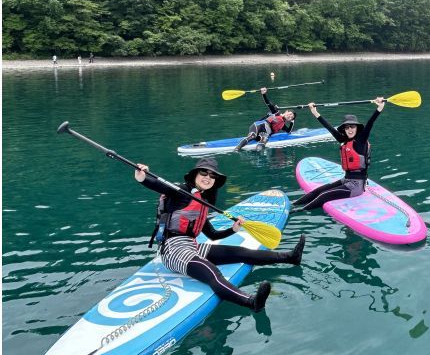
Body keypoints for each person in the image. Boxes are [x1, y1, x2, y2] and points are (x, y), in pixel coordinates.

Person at [134, 157, 305, 312]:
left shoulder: (202, 201)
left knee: (240, 252)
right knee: (211, 271)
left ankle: (290, 257)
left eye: (212, 175)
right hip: (173, 250)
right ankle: (251, 302)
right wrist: (142, 176)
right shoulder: (181, 192)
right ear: (195, 174)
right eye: (203, 172)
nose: (207, 177)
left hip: (192, 246)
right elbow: (157, 185)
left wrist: (233, 229)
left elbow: (213, 235)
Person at [292, 97, 385, 211]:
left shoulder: (361, 140)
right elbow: (330, 128)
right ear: (344, 129)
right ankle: (293, 205)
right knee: (318, 191)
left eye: (352, 126)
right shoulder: (343, 140)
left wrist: (379, 108)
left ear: (357, 128)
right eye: (347, 127)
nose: (350, 129)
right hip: (346, 180)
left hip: (356, 187)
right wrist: (315, 112)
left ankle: (295, 212)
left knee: (324, 196)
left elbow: (370, 123)